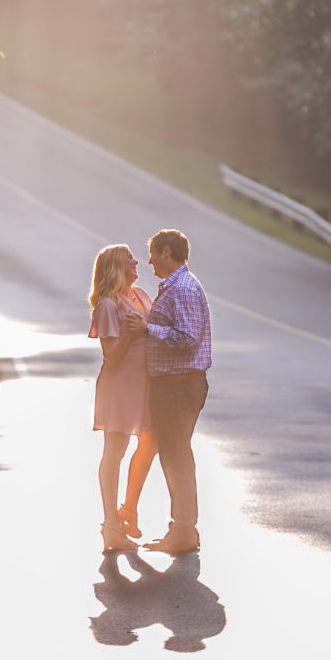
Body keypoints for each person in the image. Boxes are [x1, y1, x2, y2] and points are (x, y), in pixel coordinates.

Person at [126, 229, 211, 554]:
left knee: (177, 458)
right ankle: (182, 529)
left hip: (179, 385)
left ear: (166, 252)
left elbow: (188, 338)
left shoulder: (184, 289)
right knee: (175, 456)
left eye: (152, 253)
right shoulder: (175, 287)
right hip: (172, 385)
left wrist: (148, 329)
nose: (149, 261)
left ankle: (184, 531)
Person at [89, 244, 158, 551]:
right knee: (115, 451)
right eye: (129, 258)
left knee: (152, 442)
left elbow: (154, 328)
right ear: (116, 267)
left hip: (145, 384)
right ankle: (110, 525)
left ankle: (128, 508)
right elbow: (111, 358)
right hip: (119, 386)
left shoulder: (141, 295)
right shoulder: (107, 305)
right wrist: (130, 335)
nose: (136, 262)